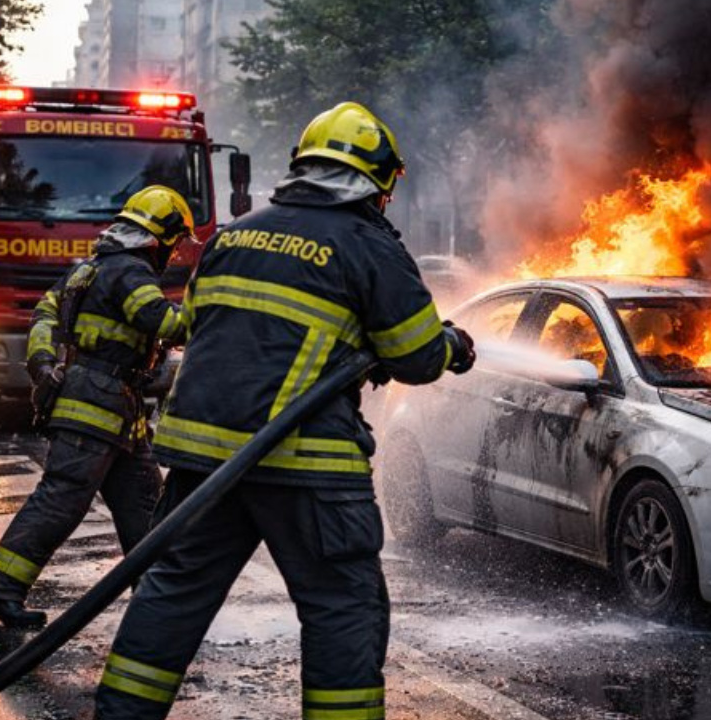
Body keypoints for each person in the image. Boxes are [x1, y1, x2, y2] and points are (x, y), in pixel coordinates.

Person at [93, 102, 475, 720]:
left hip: (202, 465)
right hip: (308, 464)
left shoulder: (234, 235)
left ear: (302, 167)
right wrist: (452, 345)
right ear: (378, 182)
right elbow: (417, 357)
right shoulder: (366, 245)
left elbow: (197, 326)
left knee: (171, 596)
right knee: (341, 607)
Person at [0, 186, 193, 627]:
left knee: (145, 505)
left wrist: (42, 363)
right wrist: (215, 306)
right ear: (159, 238)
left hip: (117, 412)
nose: (175, 251)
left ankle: (157, 602)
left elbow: (44, 316)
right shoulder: (130, 272)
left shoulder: (88, 270)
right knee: (62, 500)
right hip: (96, 407)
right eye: (174, 242)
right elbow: (165, 323)